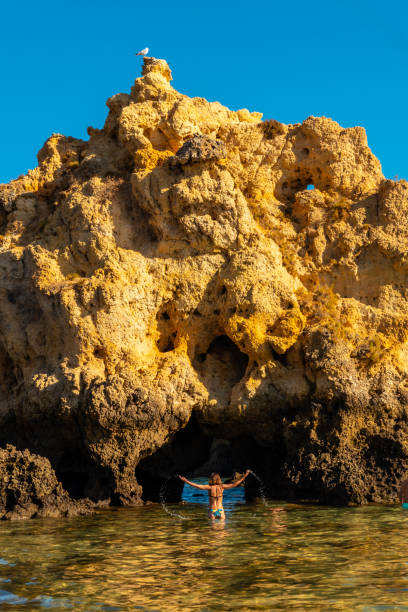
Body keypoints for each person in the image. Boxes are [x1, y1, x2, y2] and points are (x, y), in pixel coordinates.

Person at [179, 470, 250, 520]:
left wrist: (186, 481)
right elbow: (235, 484)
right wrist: (245, 476)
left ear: (211, 479)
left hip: (212, 510)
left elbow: (197, 486)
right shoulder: (222, 486)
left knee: (213, 533)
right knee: (221, 534)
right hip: (221, 510)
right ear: (219, 479)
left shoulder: (209, 487)